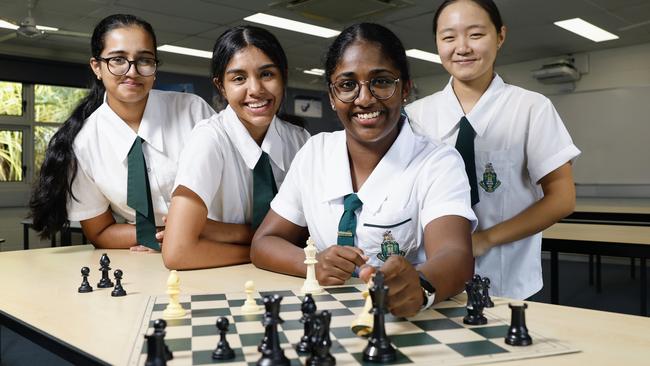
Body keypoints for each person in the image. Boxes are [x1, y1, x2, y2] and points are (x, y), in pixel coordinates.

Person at [251, 23, 477, 317]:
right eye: (347, 85)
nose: (364, 98)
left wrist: (420, 286)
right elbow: (264, 242)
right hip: (327, 317)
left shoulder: (438, 161)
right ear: (332, 96)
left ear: (405, 88)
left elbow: (456, 255)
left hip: (408, 320)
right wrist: (314, 263)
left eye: (381, 81)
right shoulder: (314, 153)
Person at [405, 0, 581, 300]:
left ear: (500, 36)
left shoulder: (531, 108)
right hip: (430, 276)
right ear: (437, 43)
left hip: (508, 279)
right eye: (448, 37)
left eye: (475, 35)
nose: (462, 47)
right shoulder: (413, 117)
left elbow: (562, 199)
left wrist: (486, 239)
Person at [29, 14, 214, 250]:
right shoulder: (85, 143)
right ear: (97, 67)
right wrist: (161, 237)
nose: (132, 71)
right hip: (146, 254)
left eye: (144, 60)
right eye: (118, 59)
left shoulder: (193, 111)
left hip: (217, 240)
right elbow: (100, 231)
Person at [161, 26, 310, 270]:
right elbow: (178, 253)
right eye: (239, 78)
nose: (255, 89)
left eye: (267, 74)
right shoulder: (209, 139)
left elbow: (310, 232)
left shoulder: (300, 140)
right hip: (223, 276)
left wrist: (222, 232)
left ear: (283, 76)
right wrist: (266, 250)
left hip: (287, 275)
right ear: (221, 86)